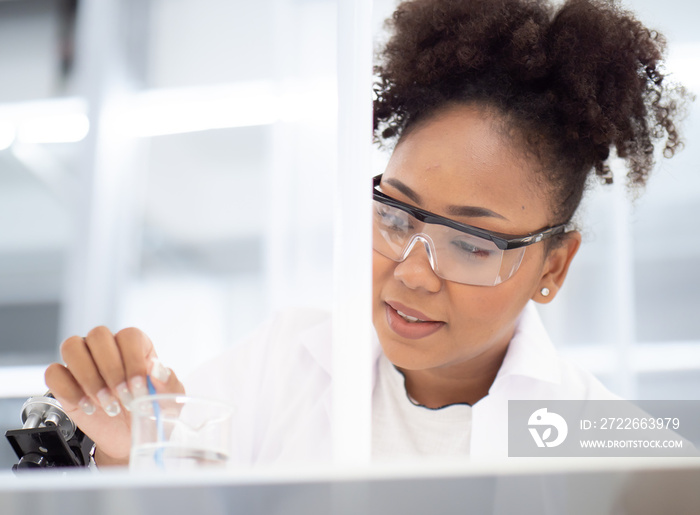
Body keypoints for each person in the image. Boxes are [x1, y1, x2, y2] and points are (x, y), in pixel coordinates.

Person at [44, 0, 689, 466]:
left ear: (553, 266)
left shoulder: (607, 447)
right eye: (397, 216)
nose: (411, 271)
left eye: (470, 243)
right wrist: (122, 461)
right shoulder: (283, 366)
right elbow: (169, 476)